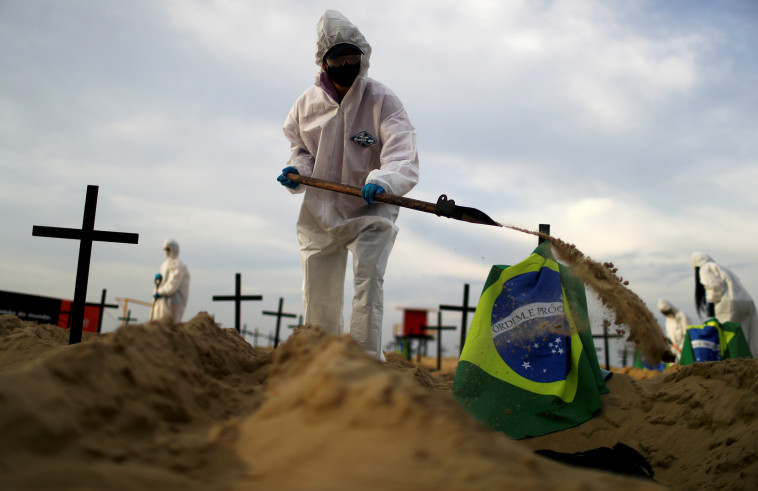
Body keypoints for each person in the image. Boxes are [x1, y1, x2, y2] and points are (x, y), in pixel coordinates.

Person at [277, 10, 419, 360]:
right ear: (324, 62)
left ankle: (364, 361)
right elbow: (302, 150)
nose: (346, 63)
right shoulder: (306, 106)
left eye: (351, 56)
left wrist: (382, 180)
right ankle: (319, 358)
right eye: (338, 57)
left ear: (363, 56)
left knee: (369, 282)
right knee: (318, 285)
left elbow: (402, 156)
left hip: (371, 209)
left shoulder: (382, 101)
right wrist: (296, 169)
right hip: (320, 210)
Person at [691, 252, 758, 356]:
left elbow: (714, 288)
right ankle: (750, 361)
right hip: (746, 303)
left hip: (729, 306)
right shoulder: (721, 268)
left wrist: (711, 305)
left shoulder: (705, 268)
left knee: (728, 335)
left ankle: (733, 361)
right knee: (747, 336)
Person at [153, 239, 191, 323]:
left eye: (168, 249)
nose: (167, 252)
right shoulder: (164, 265)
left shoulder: (179, 264)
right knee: (160, 321)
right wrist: (158, 286)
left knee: (172, 323)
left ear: (174, 249)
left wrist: (161, 292)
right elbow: (163, 282)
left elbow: (174, 282)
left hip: (174, 300)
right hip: (163, 298)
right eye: (165, 249)